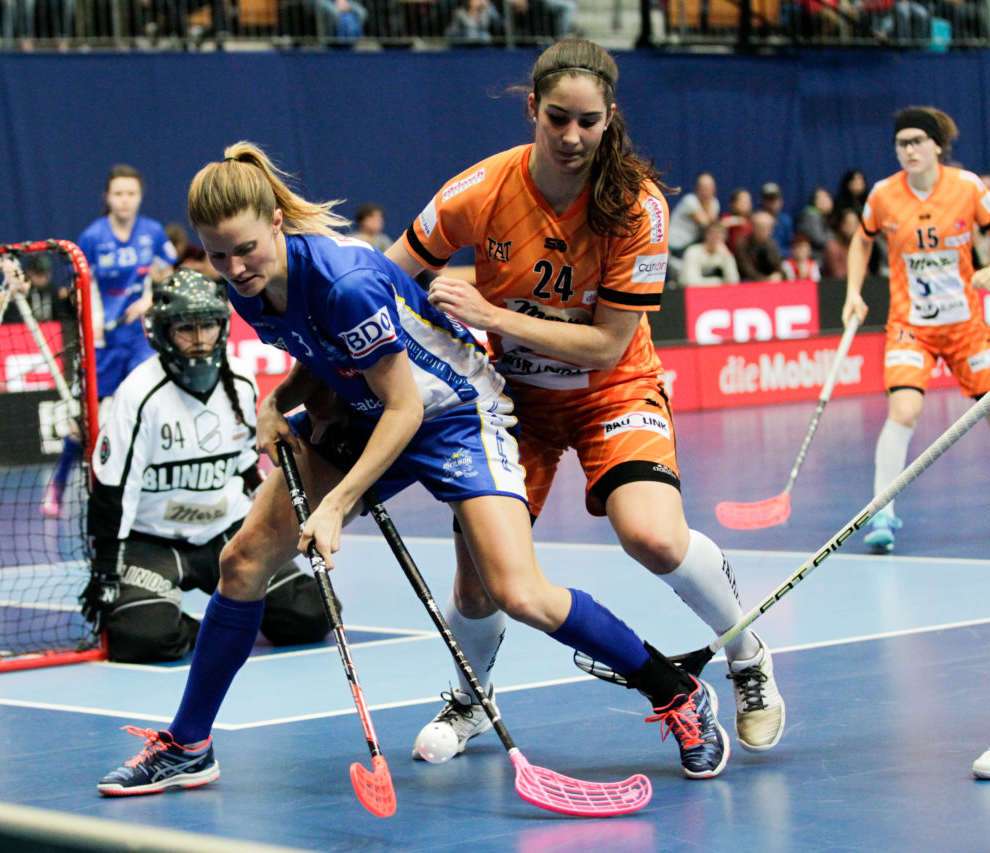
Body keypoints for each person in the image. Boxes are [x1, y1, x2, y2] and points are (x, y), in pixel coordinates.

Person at [94, 140, 730, 797]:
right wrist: (279, 401)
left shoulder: (345, 282)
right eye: (219, 255)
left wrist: (337, 504)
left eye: (246, 249)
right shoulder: (249, 288)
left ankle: (674, 689)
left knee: (519, 590)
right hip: (360, 406)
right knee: (243, 560)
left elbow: (405, 409)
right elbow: (319, 351)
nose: (235, 266)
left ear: (276, 225)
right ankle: (189, 743)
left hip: (452, 412)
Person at [385, 38, 784, 758]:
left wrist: (493, 316)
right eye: (558, 118)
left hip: (614, 390)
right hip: (514, 405)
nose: (572, 137)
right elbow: (387, 278)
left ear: (609, 118)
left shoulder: (638, 206)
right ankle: (471, 698)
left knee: (654, 537)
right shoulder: (479, 190)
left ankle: (746, 652)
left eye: (589, 121)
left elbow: (605, 345)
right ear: (532, 108)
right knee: (479, 586)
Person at [83, 269, 331, 662]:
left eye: (209, 327)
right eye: (186, 329)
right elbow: (113, 489)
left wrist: (280, 528)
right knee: (143, 637)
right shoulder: (139, 393)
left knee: (310, 616)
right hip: (155, 543)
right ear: (163, 332)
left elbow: (250, 471)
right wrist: (106, 571)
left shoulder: (240, 379)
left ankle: (232, 605)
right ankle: (202, 626)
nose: (199, 341)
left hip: (225, 534)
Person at [841, 106, 990, 554]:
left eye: (916, 142)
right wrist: (853, 291)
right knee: (902, 412)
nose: (908, 150)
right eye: (901, 144)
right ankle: (881, 510)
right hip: (912, 327)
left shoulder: (967, 188)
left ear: (937, 146)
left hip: (966, 326)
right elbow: (862, 239)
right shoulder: (884, 195)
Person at [42, 165, 177, 518]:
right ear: (108, 197)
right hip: (102, 342)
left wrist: (150, 300)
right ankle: (57, 485)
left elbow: (168, 275)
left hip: (139, 339)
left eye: (131, 193)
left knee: (144, 402)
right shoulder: (91, 237)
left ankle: (143, 486)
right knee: (84, 423)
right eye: (118, 194)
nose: (125, 200)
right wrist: (93, 321)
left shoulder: (152, 232)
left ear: (140, 196)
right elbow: (75, 288)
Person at [667, 171, 720, 258]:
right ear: (697, 189)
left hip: (691, 245)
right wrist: (727, 223)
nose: (708, 190)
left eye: (711, 187)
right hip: (675, 246)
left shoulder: (714, 203)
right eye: (704, 187)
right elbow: (707, 225)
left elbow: (713, 228)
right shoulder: (690, 201)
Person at [680, 221, 741, 286]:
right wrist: (718, 281)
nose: (717, 237)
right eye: (713, 233)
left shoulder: (724, 253)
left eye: (721, 234)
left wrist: (727, 256)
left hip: (718, 293)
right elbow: (690, 281)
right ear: (706, 234)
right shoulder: (693, 252)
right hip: (692, 293)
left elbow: (733, 281)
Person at [734, 210, 784, 281]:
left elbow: (778, 266)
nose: (765, 231)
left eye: (768, 228)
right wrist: (765, 279)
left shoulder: (771, 245)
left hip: (770, 281)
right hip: (749, 282)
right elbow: (746, 270)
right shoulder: (743, 245)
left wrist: (778, 275)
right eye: (761, 227)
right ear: (754, 227)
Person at [795, 187, 835, 260]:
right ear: (816, 201)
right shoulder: (810, 215)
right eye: (825, 198)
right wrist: (835, 240)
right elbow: (819, 239)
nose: (829, 201)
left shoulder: (822, 217)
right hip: (813, 258)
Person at [759, 182, 795, 256]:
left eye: (774, 200)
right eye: (768, 200)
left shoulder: (786, 220)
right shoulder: (757, 220)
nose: (772, 204)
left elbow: (791, 246)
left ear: (781, 201)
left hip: (782, 259)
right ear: (763, 201)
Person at [721, 187, 754, 253]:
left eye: (748, 202)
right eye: (743, 202)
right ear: (734, 203)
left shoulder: (753, 221)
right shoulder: (727, 217)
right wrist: (738, 221)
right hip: (730, 254)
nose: (747, 205)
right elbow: (721, 225)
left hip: (748, 254)